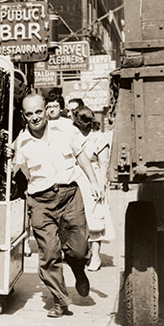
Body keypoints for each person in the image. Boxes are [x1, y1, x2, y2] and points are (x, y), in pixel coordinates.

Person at [8, 94, 103, 318]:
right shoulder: (20, 142)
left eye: (38, 112)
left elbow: (81, 156)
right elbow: (13, 173)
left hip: (69, 196)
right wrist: (7, 159)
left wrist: (94, 182)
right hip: (40, 201)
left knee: (78, 250)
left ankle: (79, 270)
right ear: (24, 116)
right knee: (49, 254)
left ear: (46, 111)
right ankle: (60, 299)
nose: (34, 117)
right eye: (29, 114)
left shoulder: (67, 130)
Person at [72, 105, 113, 271]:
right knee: (77, 219)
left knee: (95, 220)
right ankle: (82, 254)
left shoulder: (98, 138)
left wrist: (101, 185)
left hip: (93, 180)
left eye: (84, 121)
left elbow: (103, 163)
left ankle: (96, 256)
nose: (81, 124)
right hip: (75, 178)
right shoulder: (72, 136)